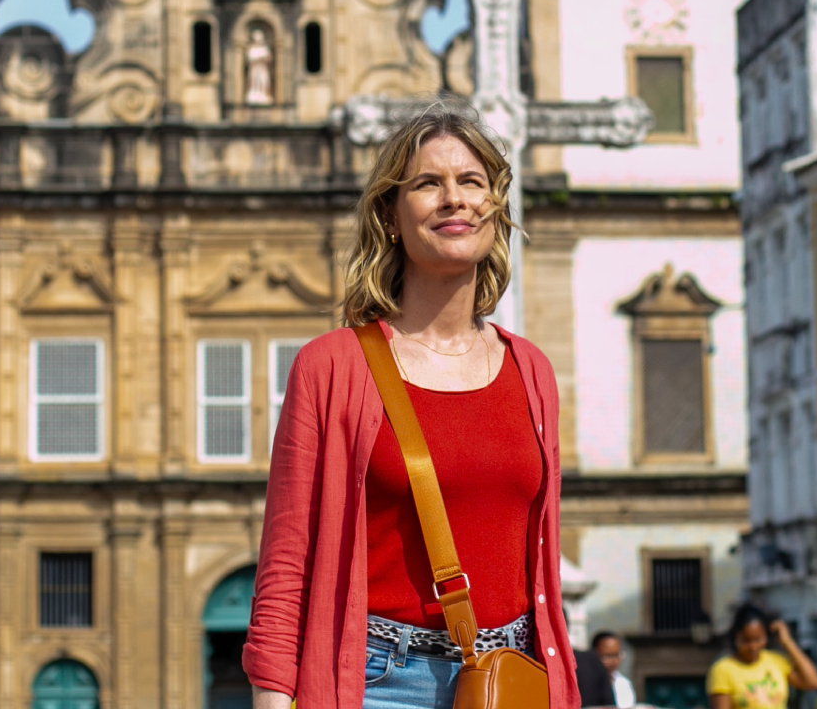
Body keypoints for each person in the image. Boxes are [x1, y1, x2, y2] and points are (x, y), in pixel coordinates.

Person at [242, 106, 579, 709]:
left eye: (472, 182)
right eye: (428, 184)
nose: (455, 199)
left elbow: (540, 563)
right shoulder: (331, 366)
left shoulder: (532, 371)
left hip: (510, 681)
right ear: (392, 218)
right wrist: (272, 693)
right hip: (377, 683)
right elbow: (287, 558)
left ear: (496, 207)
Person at [706, 606, 817, 709]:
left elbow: (813, 682)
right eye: (746, 641)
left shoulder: (776, 661)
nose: (753, 646)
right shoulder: (723, 669)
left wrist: (788, 643)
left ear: (766, 636)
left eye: (757, 639)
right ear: (736, 637)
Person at [592, 631, 637, 708]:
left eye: (616, 655)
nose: (613, 660)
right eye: (607, 656)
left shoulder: (623, 683)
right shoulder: (587, 682)